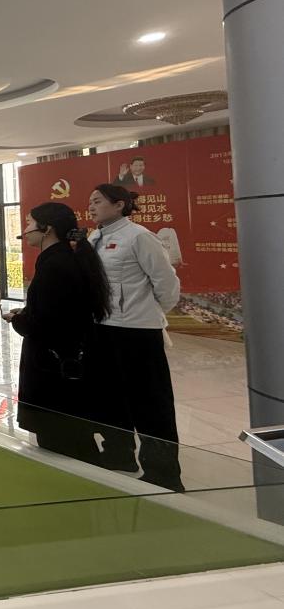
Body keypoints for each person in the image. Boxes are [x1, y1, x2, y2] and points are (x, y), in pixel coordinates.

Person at [88, 183, 183, 490]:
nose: (91, 206)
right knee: (110, 396)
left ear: (119, 205)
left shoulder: (140, 236)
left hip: (138, 333)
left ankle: (163, 472)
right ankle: (118, 453)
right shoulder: (94, 237)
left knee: (150, 402)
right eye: (90, 202)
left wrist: (147, 312)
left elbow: (167, 284)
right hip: (104, 326)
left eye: (98, 201)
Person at [4, 202, 111, 461]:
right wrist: (28, 313)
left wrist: (19, 320)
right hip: (62, 361)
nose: (25, 230)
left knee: (62, 443)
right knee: (68, 437)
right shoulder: (61, 260)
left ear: (47, 228)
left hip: (55, 367)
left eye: (29, 223)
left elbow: (47, 324)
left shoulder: (56, 265)